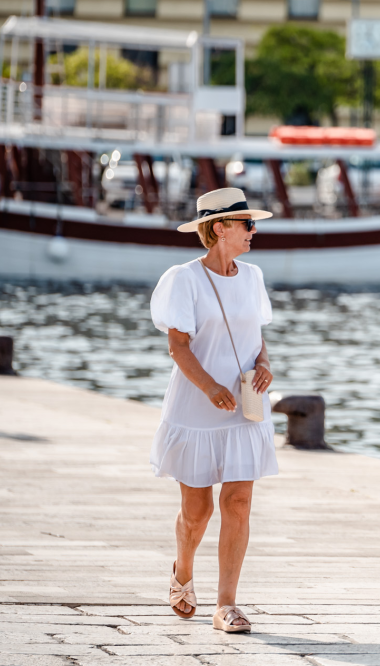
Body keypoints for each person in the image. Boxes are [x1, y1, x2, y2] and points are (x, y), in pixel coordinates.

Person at [149, 187, 277, 634]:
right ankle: (182, 571)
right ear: (220, 228)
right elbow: (177, 346)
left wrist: (263, 364)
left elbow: (256, 334)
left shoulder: (253, 275)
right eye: (246, 224)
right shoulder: (183, 279)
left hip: (244, 405)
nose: (253, 231)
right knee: (197, 510)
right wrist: (208, 388)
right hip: (198, 407)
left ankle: (227, 604)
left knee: (238, 501)